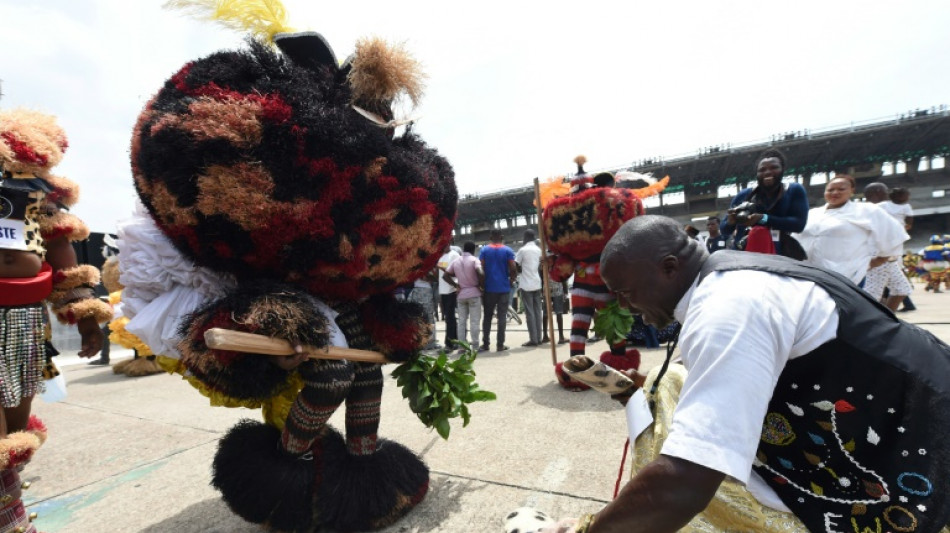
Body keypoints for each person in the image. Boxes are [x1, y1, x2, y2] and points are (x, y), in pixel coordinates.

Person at [573, 215, 950, 533]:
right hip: (891, 415)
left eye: (625, 292)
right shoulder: (732, 275)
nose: (624, 305)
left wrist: (586, 529)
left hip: (920, 448)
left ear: (669, 267)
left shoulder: (725, 310)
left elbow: (684, 483)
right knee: (669, 379)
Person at [1, 108, 111, 533]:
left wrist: (86, 321)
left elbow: (65, 269)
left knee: (15, 428)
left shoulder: (40, 199)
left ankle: (10, 509)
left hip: (25, 322)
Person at [795, 175, 908, 286]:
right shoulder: (812, 213)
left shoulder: (866, 211)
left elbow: (893, 234)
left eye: (841, 189)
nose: (835, 192)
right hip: (809, 275)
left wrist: (876, 261)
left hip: (846, 275)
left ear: (851, 191)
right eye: (830, 190)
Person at [721, 148, 808, 258]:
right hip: (744, 256)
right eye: (762, 169)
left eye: (774, 167)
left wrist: (763, 219)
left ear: (782, 169)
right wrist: (730, 222)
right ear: (757, 173)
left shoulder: (793, 190)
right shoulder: (744, 195)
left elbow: (799, 224)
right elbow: (724, 230)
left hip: (779, 257)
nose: (767, 172)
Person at [860, 182, 914, 311]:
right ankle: (869, 325)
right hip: (879, 255)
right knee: (872, 294)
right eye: (885, 191)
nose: (888, 194)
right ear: (878, 192)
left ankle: (887, 321)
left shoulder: (887, 208)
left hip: (890, 256)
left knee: (902, 289)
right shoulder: (871, 209)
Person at [479, 229, 517, 352]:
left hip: (489, 288)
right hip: (503, 288)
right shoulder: (508, 250)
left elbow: (481, 268)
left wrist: (482, 285)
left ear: (490, 237)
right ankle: (500, 345)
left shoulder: (484, 250)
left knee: (487, 317)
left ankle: (485, 344)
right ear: (502, 236)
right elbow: (513, 267)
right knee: (502, 317)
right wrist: (512, 279)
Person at [880, 187, 917, 311]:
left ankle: (902, 304)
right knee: (891, 271)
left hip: (897, 237)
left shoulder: (906, 207)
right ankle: (905, 304)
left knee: (891, 265)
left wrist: (907, 226)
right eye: (902, 195)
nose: (905, 198)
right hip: (885, 235)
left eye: (906, 195)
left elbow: (910, 220)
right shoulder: (884, 205)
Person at [444, 241, 484, 352]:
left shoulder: (456, 261)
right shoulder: (474, 260)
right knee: (474, 321)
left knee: (462, 322)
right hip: (474, 293)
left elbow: (445, 275)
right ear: (473, 250)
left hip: (461, 294)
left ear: (464, 249)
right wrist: (481, 286)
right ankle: (475, 346)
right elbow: (480, 273)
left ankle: (462, 346)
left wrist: (456, 285)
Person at [515, 229, 543, 347]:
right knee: (537, 311)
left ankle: (533, 339)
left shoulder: (522, 250)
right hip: (537, 283)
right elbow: (541, 266)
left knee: (530, 313)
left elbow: (516, 264)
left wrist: (520, 272)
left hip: (526, 284)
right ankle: (539, 337)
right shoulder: (538, 250)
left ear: (525, 237)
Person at [436, 244, 460, 348]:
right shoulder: (441, 256)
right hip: (443, 290)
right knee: (448, 318)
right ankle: (454, 340)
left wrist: (442, 268)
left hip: (451, 289)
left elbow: (457, 272)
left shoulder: (454, 255)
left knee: (450, 318)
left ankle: (449, 343)